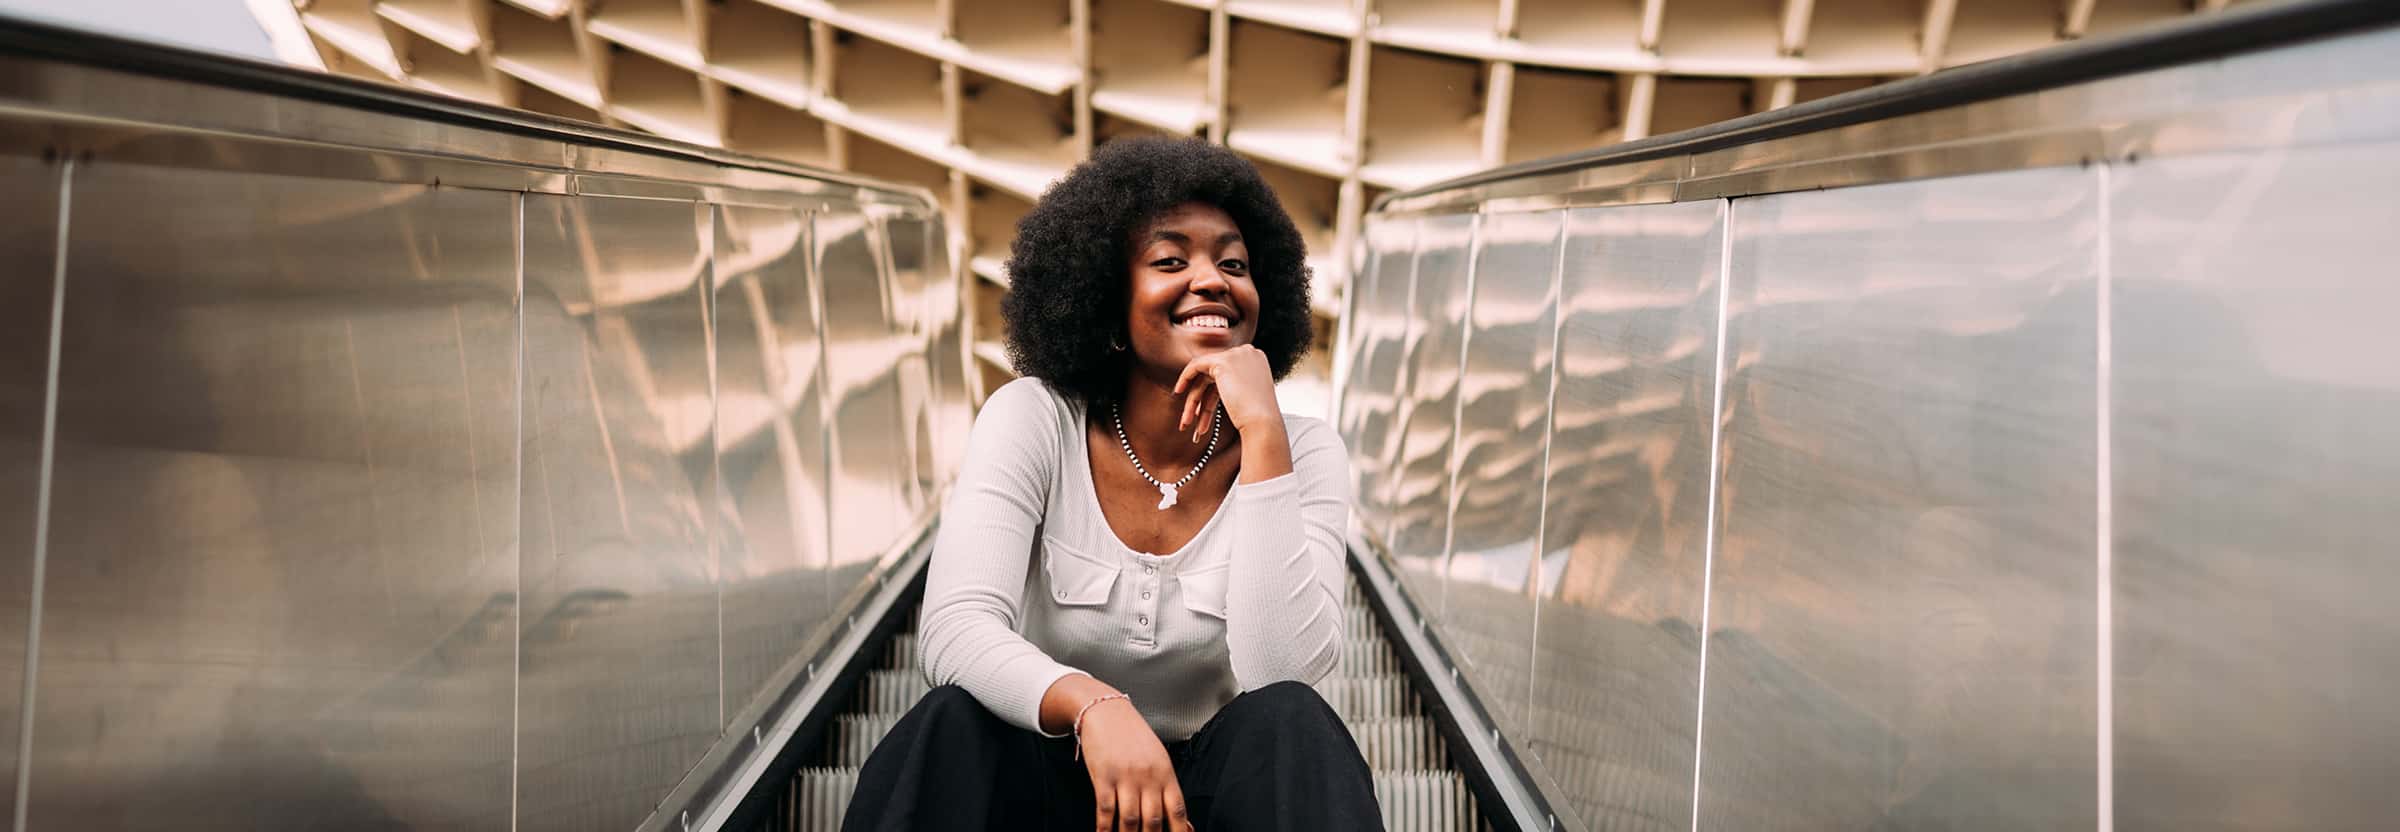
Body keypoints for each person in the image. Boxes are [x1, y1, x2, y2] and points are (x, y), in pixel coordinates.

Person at [842, 136, 1379, 831]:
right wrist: (1094, 706)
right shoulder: (1035, 418)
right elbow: (954, 629)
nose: (1213, 280)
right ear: (1107, 300)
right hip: (1053, 773)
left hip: (1209, 803)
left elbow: (1283, 669)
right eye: (1170, 261)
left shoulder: (1302, 450)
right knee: (950, 721)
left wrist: (1263, 434)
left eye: (1234, 264)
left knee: (1293, 723)